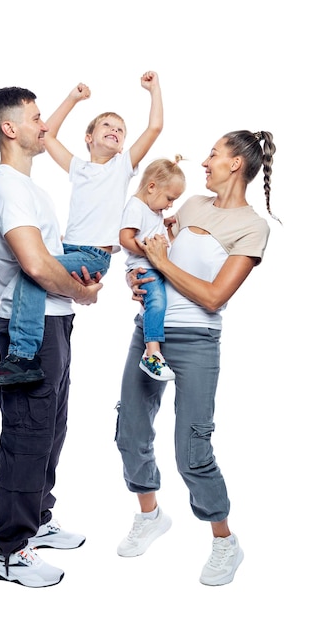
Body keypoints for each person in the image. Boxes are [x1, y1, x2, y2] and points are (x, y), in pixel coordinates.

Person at [115, 129, 279, 586]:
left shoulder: (252, 227)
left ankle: (225, 541)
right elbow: (153, 260)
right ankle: (150, 516)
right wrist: (142, 281)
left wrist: (162, 263)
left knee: (192, 452)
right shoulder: (189, 208)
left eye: (212, 154)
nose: (203, 163)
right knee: (129, 433)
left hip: (197, 342)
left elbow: (213, 296)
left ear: (235, 165)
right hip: (149, 334)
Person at [0, 86, 102, 588]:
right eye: (35, 118)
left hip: (55, 323)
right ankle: (8, 550)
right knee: (27, 438)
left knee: (51, 431)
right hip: (29, 332)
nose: (45, 126)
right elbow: (34, 264)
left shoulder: (30, 188)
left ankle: (38, 520)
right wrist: (86, 293)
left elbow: (50, 260)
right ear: (11, 128)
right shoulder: (8, 187)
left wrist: (76, 290)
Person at [0, 71, 163, 385]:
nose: (115, 130)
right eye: (107, 124)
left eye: (121, 129)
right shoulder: (79, 168)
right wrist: (73, 99)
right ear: (89, 137)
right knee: (36, 270)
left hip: (93, 256)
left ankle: (21, 356)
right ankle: (23, 355)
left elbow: (154, 127)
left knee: (31, 272)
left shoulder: (122, 167)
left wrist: (153, 89)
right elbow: (47, 136)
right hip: (69, 250)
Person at [119, 157, 186, 381]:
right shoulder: (136, 207)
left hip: (155, 266)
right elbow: (125, 238)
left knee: (160, 302)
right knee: (156, 302)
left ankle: (154, 349)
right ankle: (152, 353)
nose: (170, 205)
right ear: (152, 187)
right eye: (169, 198)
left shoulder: (153, 210)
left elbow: (152, 229)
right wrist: (149, 251)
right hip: (144, 268)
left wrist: (165, 224)